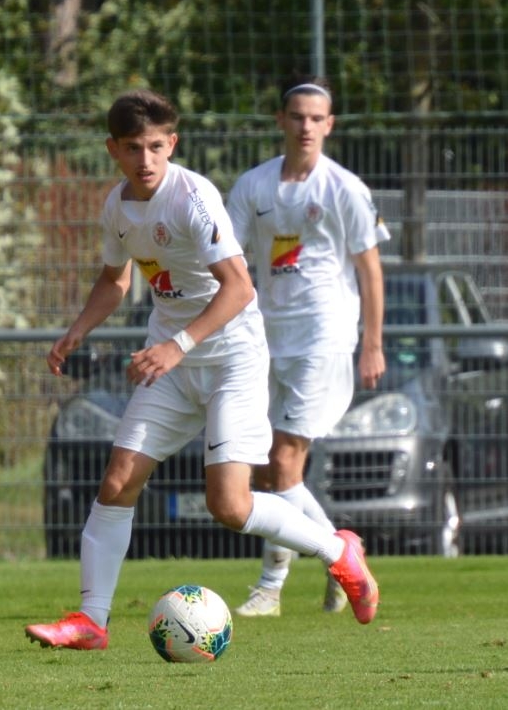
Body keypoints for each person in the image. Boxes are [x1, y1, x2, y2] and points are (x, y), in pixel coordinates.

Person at [24, 89, 379, 651]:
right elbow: (115, 280)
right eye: (133, 148)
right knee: (117, 480)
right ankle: (92, 622)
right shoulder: (117, 207)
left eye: (155, 147)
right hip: (174, 362)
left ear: (172, 143)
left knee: (230, 506)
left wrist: (177, 345)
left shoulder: (194, 198)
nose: (145, 159)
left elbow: (239, 288)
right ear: (113, 149)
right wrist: (78, 330)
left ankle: (340, 552)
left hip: (231, 360)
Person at [227, 74, 388, 618]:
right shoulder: (253, 186)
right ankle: (342, 555)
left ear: (330, 125)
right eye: (297, 116)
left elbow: (370, 269)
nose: (306, 127)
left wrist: (372, 343)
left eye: (316, 118)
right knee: (266, 471)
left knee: (284, 461)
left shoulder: (344, 188)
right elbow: (228, 260)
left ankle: (271, 588)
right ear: (280, 120)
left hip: (324, 336)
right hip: (265, 337)